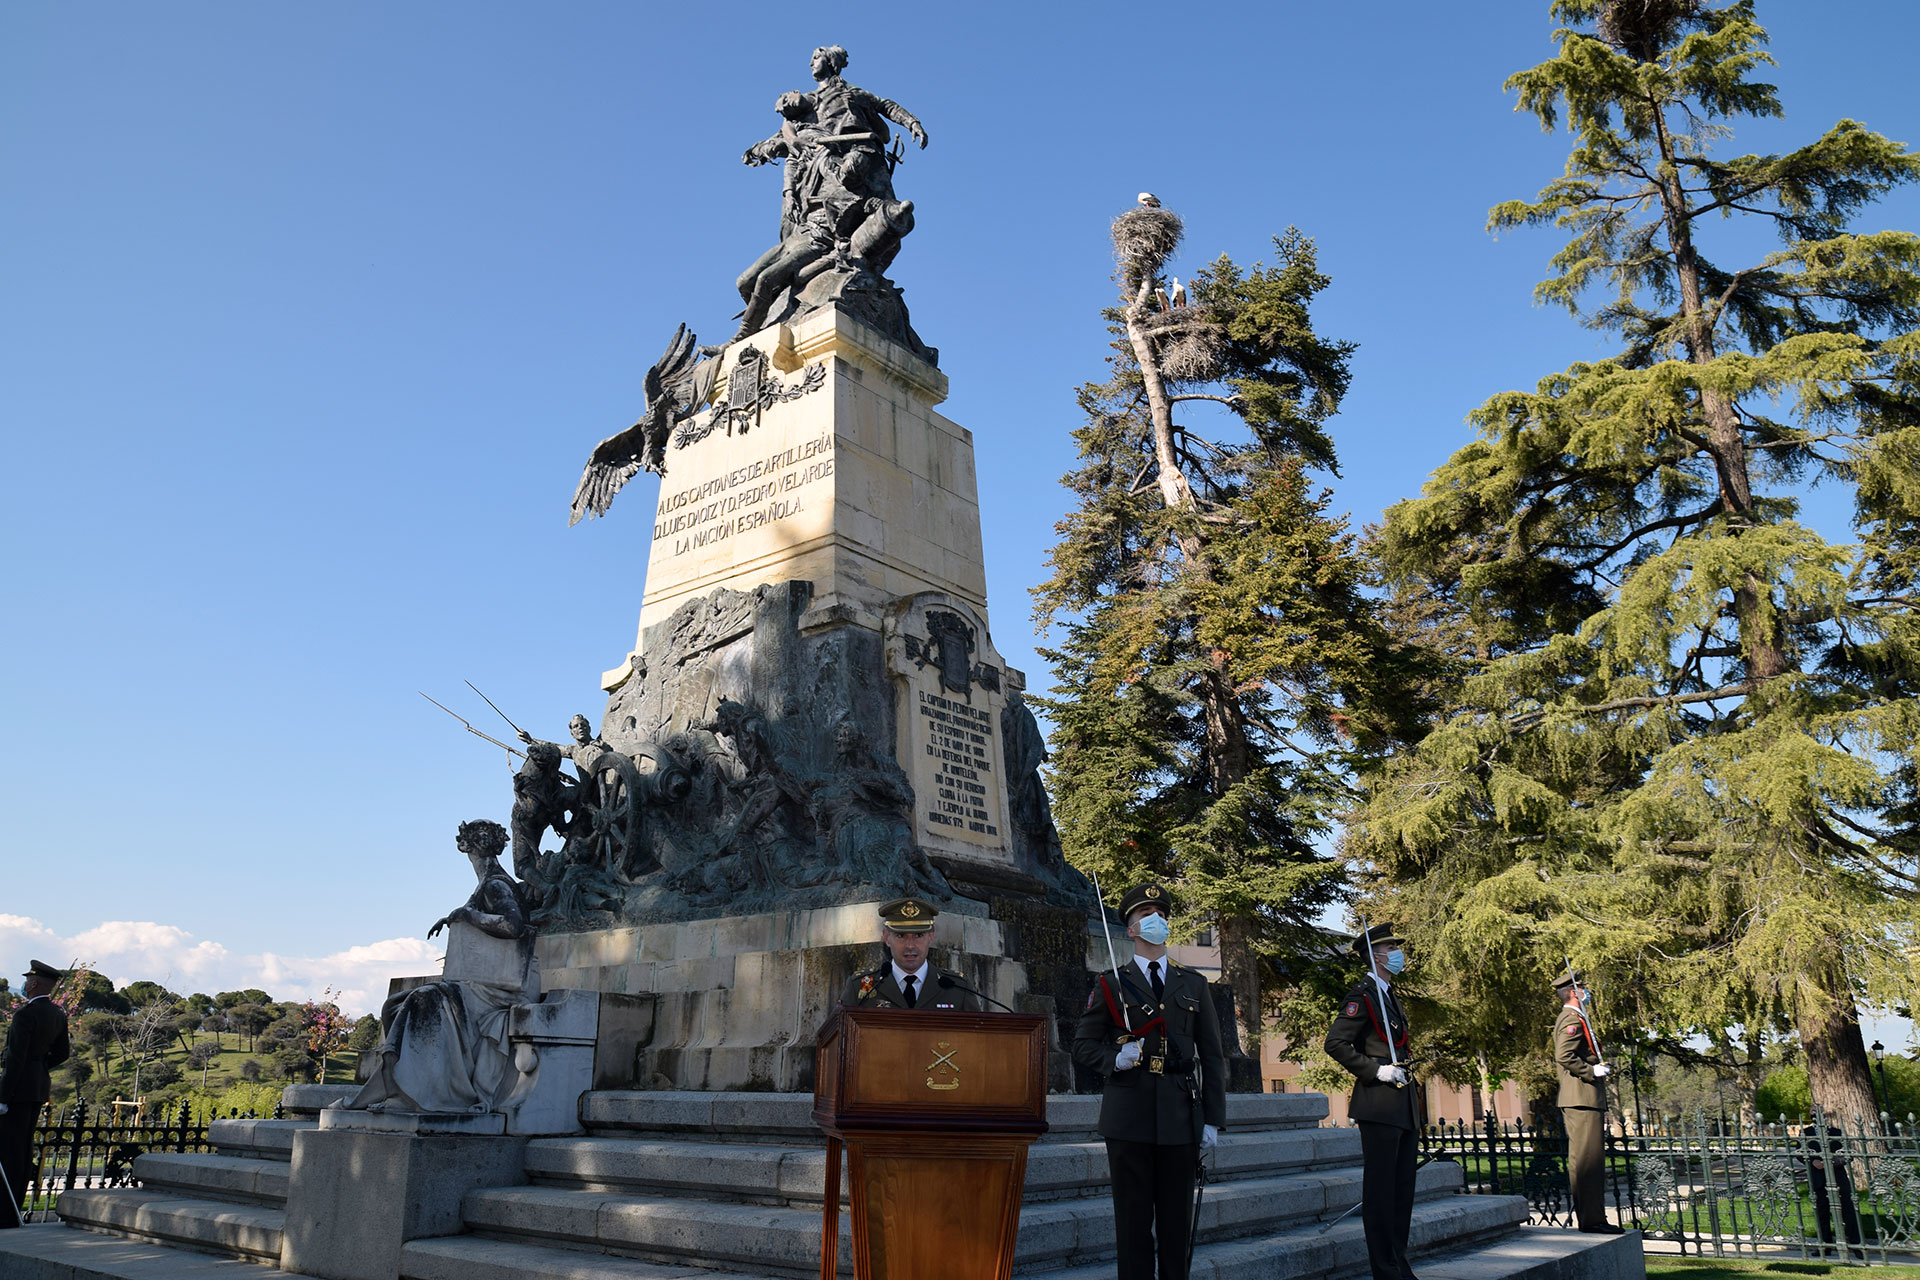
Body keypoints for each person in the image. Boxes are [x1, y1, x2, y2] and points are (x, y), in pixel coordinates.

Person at [1071, 883, 1225, 1280]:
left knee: (1177, 1225)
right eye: (1146, 915)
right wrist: (1114, 1059)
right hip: (1129, 1116)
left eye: (1161, 913)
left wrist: (1212, 1118)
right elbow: (1083, 1045)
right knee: (1133, 1226)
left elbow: (1211, 1055)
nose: (1156, 920)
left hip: (1179, 1112)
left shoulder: (1193, 984)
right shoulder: (1111, 984)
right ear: (1131, 930)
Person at [345, 820, 537, 1114]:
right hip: (482, 984)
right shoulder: (489, 882)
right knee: (393, 1007)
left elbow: (513, 925)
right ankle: (398, 1082)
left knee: (425, 1000)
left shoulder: (496, 884)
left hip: (497, 990)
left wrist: (467, 915)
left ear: (466, 847)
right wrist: (457, 918)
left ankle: (420, 1095)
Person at [1324, 924, 1419, 1280]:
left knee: (1401, 1193)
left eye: (1396, 946)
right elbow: (1335, 1043)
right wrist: (1376, 1071)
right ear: (1375, 955)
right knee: (1381, 1195)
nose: (1397, 952)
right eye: (1391, 947)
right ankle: (1385, 1269)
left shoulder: (1388, 995)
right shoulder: (1361, 996)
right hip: (1379, 1104)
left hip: (1403, 1104)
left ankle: (1398, 1263)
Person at [0, 960, 71, 1227]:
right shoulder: (58, 1014)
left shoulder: (25, 1014)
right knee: (21, 1151)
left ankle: (4, 1212)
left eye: (28, 980)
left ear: (34, 984)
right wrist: (39, 1067)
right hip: (37, 1087)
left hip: (17, 1091)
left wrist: (3, 1097)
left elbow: (15, 1059)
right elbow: (62, 1053)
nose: (25, 984)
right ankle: (13, 1208)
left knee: (9, 1153)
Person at [1551, 969, 1621, 1234]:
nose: (1586, 991)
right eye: (1582, 988)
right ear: (1573, 992)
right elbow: (1564, 1055)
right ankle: (1592, 1220)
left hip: (1582, 1098)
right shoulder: (1572, 1019)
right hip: (1582, 1097)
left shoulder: (1576, 1018)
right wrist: (1592, 1071)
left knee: (1584, 1161)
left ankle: (1590, 1218)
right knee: (1589, 1162)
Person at [838, 898, 982, 1011]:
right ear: (887, 938)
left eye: (919, 935)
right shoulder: (861, 988)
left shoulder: (958, 988)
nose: (910, 945)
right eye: (901, 936)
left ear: (931, 937)